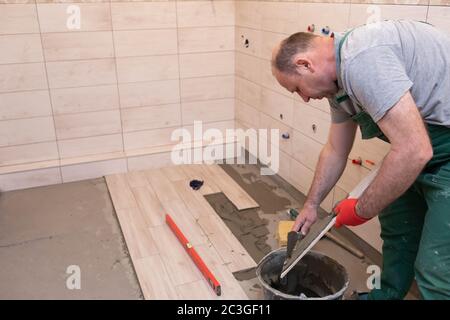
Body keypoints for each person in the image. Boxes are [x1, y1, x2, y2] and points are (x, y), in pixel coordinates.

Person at [271, 20, 450, 299]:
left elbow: (415, 151)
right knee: (397, 229)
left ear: (305, 65)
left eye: (297, 89)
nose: (304, 99)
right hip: (421, 146)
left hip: (434, 149)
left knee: (436, 265)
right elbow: (335, 149)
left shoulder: (362, 60)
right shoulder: (338, 83)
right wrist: (311, 204)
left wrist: (361, 209)